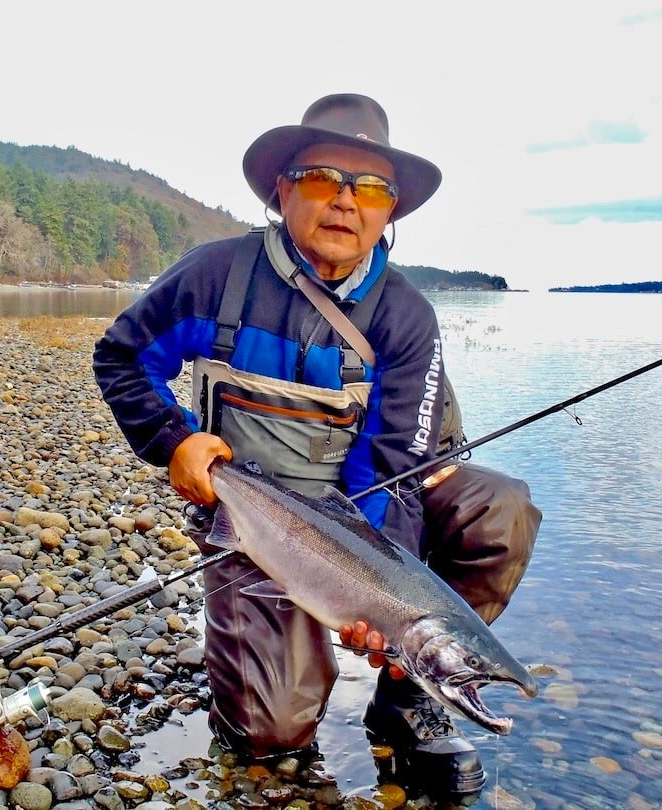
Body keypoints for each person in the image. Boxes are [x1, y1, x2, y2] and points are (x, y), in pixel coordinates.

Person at [94, 94, 541, 800]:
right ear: (281, 189)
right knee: (272, 737)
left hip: (359, 515)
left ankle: (410, 685)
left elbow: (394, 474)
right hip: (250, 515)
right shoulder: (215, 276)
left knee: (501, 507)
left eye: (369, 188)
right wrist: (174, 440)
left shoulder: (406, 319)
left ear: (390, 210)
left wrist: (382, 607)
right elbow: (120, 360)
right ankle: (256, 637)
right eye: (319, 179)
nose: (343, 202)